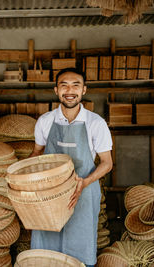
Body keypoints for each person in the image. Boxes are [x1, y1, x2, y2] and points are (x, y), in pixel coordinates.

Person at [29, 68, 113, 267]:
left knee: (80, 245)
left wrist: (84, 183)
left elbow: (107, 163)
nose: (70, 90)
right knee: (46, 245)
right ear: (56, 90)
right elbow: (36, 154)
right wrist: (25, 176)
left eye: (76, 85)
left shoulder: (95, 123)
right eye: (64, 85)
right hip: (49, 193)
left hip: (83, 191)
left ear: (84, 90)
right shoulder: (45, 121)